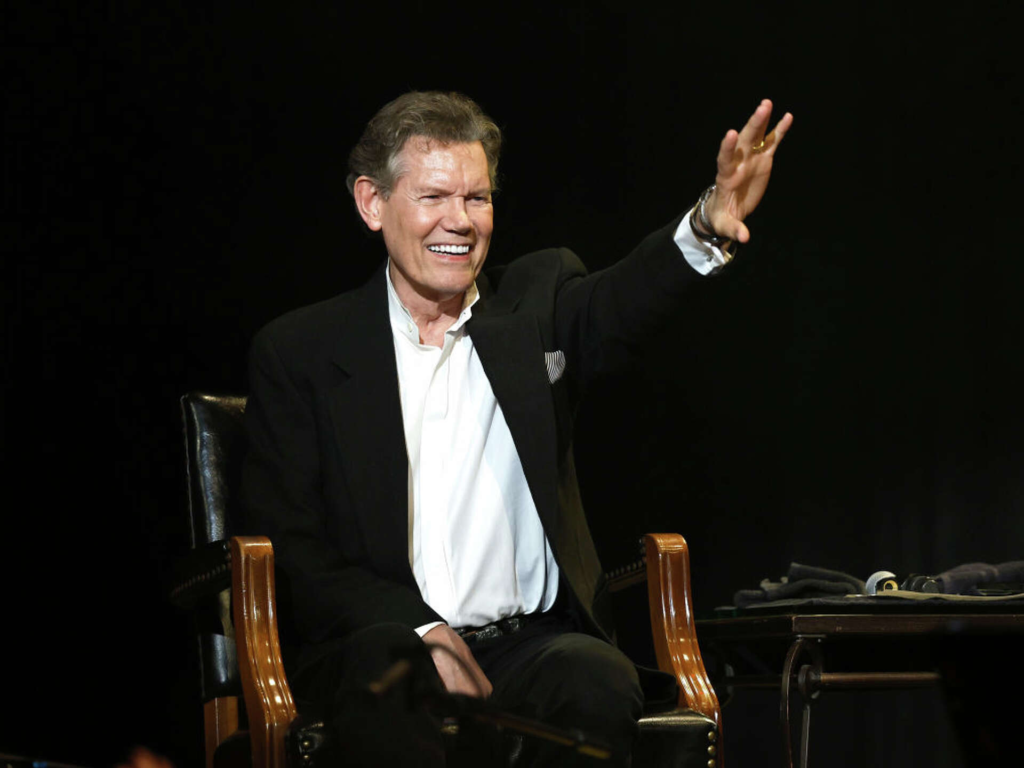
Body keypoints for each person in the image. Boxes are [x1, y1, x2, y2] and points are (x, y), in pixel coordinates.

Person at [241, 90, 792, 765]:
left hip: (527, 646)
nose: (460, 220)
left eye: (477, 198)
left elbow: (623, 300)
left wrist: (706, 224)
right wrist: (422, 631)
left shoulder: (535, 306)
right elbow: (294, 548)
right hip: (381, 645)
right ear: (372, 203)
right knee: (390, 671)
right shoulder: (301, 352)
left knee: (594, 676)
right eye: (434, 196)